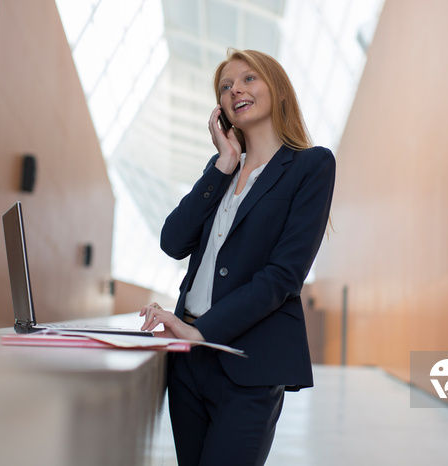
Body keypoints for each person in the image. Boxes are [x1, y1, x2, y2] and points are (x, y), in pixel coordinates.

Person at [139, 48, 335, 466]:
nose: (235, 90)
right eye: (226, 86)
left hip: (248, 363)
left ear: (278, 91)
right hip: (188, 363)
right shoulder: (222, 168)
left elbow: (284, 275)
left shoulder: (311, 166)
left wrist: (203, 330)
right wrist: (224, 164)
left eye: (248, 79)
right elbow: (173, 241)